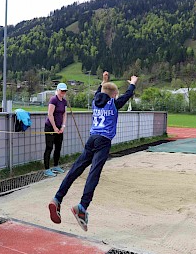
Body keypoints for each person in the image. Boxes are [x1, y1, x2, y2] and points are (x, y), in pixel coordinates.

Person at [48, 71, 138, 231]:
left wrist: (104, 81)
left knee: (76, 169)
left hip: (92, 139)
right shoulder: (113, 104)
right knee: (93, 174)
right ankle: (82, 207)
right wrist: (133, 82)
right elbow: (128, 95)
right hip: (103, 141)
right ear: (114, 95)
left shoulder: (96, 102)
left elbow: (100, 92)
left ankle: (57, 198)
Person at [43, 83, 68, 177]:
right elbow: (50, 114)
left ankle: (56, 165)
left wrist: (63, 126)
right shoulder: (53, 99)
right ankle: (46, 169)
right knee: (49, 147)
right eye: (62, 91)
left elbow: (64, 114)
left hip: (59, 128)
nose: (63, 92)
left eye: (65, 91)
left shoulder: (64, 101)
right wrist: (54, 127)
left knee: (58, 147)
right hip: (50, 127)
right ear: (58, 90)